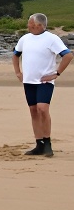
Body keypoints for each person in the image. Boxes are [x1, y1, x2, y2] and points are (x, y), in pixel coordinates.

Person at [12, 12, 72, 156]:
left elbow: (68, 55)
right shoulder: (25, 39)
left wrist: (56, 73)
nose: (28, 26)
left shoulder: (52, 39)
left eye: (30, 24)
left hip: (44, 81)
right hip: (28, 81)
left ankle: (47, 142)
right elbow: (15, 54)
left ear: (39, 25)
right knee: (33, 110)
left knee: (42, 109)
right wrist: (18, 72)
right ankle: (39, 144)